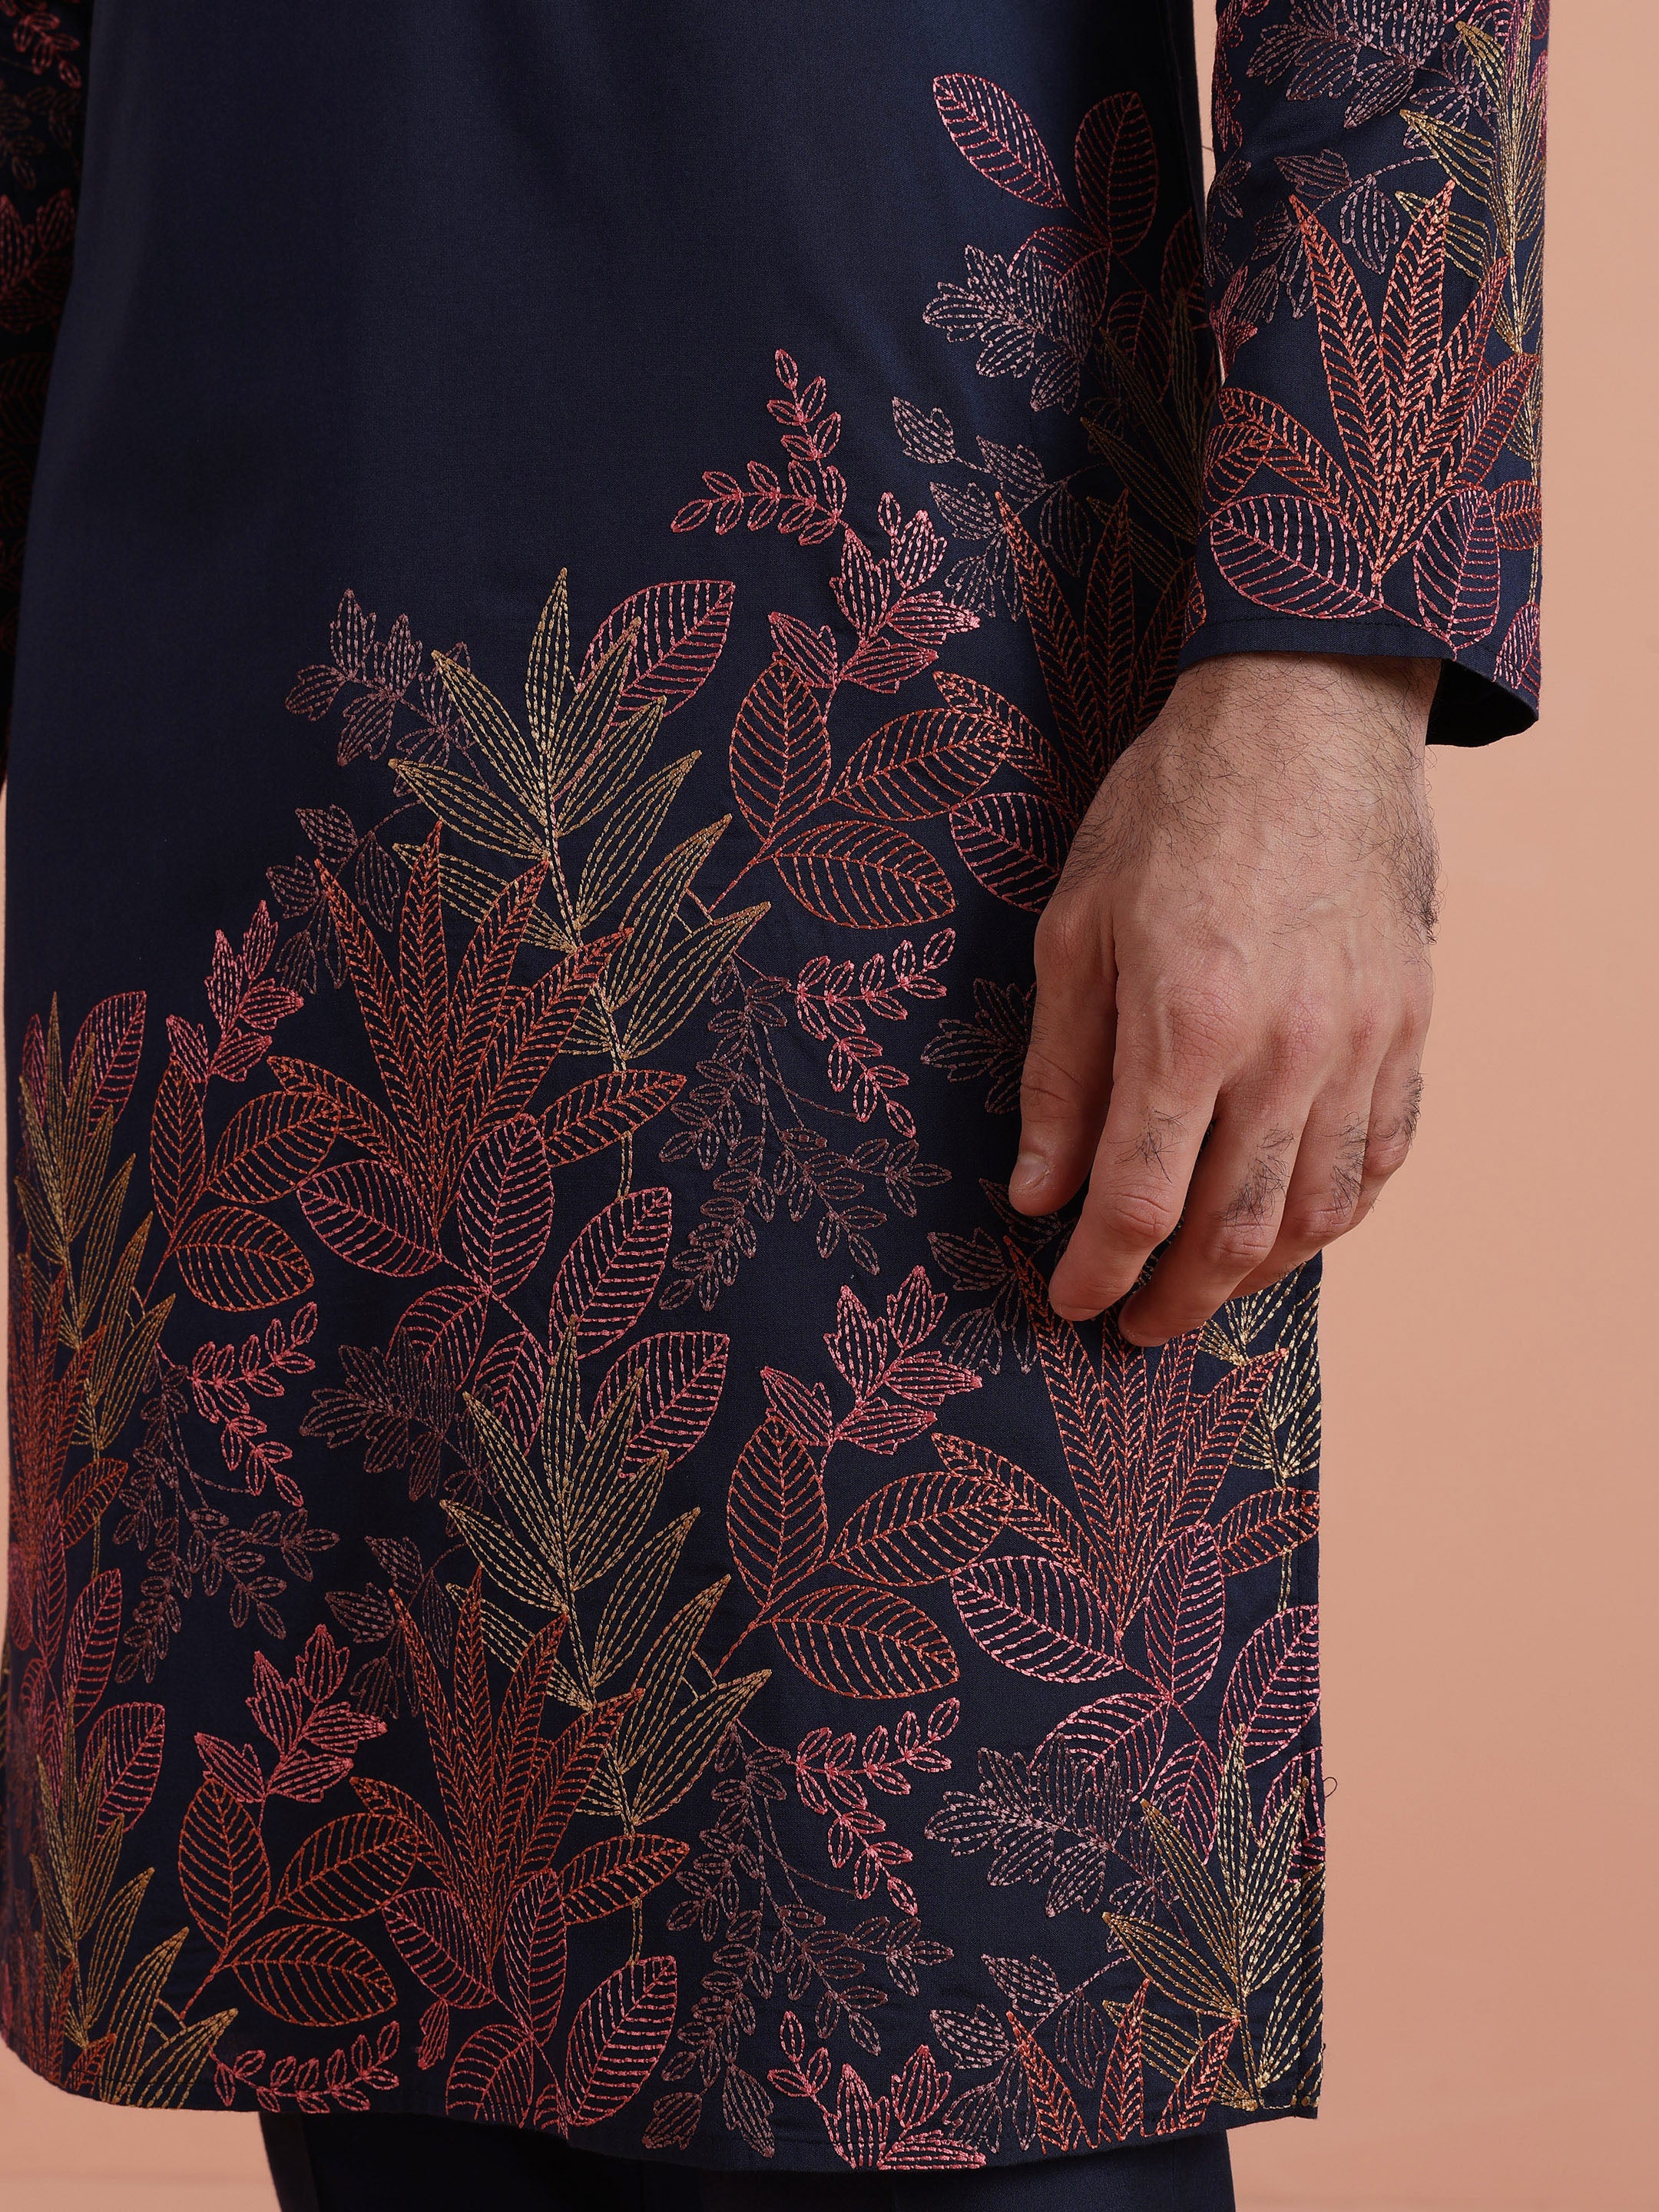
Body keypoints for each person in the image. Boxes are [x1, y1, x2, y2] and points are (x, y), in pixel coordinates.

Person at [0, 7, 1545, 2210]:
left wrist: (1323, 674)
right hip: (241, 613)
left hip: (902, 640)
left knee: (935, 2014)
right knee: (402, 2002)